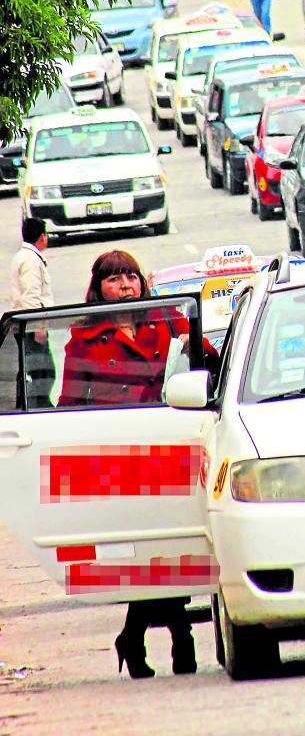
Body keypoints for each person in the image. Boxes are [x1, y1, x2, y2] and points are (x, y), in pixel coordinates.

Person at [59, 250, 220, 678]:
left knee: (168, 549)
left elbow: (208, 361)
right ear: (99, 288)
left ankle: (136, 638)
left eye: (131, 276)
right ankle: (177, 636)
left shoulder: (166, 319)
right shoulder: (85, 336)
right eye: (114, 279)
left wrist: (194, 345)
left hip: (171, 445)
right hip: (121, 456)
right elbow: (69, 403)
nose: (125, 285)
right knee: (148, 553)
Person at [10, 218, 55, 408]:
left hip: (26, 323)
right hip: (31, 326)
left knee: (34, 370)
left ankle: (38, 403)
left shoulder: (24, 256)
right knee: (42, 371)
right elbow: (31, 296)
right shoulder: (30, 261)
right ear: (42, 237)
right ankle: (38, 406)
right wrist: (38, 326)